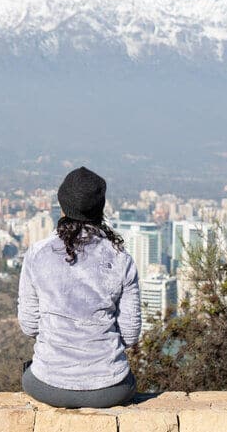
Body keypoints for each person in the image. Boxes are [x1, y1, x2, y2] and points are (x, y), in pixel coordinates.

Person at [18, 166, 141, 408]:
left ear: (61, 206)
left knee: (28, 372)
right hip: (109, 388)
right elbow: (130, 334)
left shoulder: (37, 254)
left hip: (47, 384)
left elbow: (29, 325)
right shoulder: (120, 259)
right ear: (101, 209)